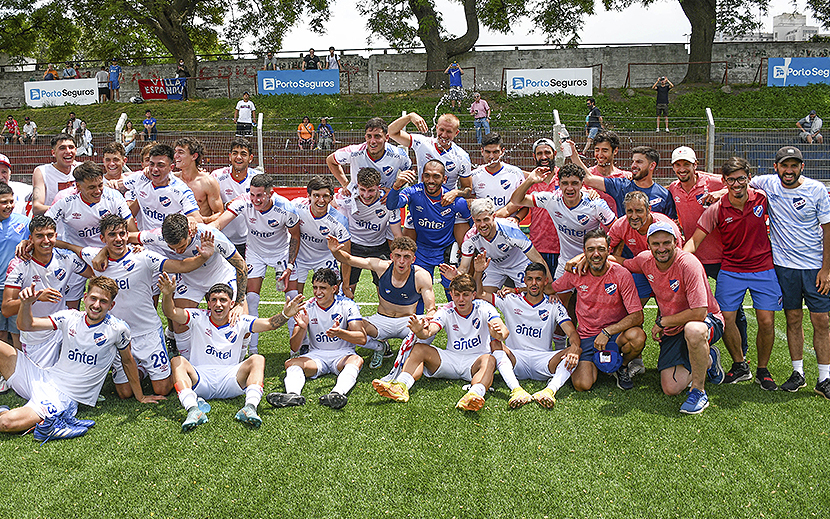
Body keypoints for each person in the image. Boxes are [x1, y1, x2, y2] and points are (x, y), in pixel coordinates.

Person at [58, 214, 214, 398]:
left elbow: (180, 266)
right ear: (102, 238)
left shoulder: (144, 257)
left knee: (162, 389)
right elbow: (69, 246)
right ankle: (141, 369)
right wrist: (32, 244)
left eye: (122, 234)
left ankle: (168, 365)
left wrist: (204, 257)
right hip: (118, 335)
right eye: (112, 235)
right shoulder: (94, 256)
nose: (118, 239)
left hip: (148, 332)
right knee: (125, 393)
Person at [0, 277, 164, 441]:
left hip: (63, 397)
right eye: (93, 298)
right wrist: (26, 304)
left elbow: (127, 361)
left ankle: (11, 413)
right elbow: (26, 325)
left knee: (5, 423)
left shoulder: (118, 329)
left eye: (103, 301)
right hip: (41, 376)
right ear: (85, 297)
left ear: (112, 305)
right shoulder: (69, 317)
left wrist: (140, 396)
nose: (96, 305)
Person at [684, 157, 782, 390]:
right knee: (726, 319)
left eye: (741, 179)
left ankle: (762, 370)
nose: (737, 184)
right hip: (731, 270)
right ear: (724, 181)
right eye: (731, 180)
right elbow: (695, 241)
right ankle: (740, 366)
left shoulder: (763, 199)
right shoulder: (717, 209)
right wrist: (681, 260)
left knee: (766, 321)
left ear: (749, 177)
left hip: (763, 268)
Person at [161, 273, 303, 429]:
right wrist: (167, 295)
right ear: (208, 303)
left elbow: (269, 324)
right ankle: (193, 409)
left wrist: (285, 315)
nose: (218, 304)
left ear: (232, 303)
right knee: (177, 361)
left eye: (223, 300)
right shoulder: (197, 316)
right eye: (213, 300)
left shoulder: (241, 321)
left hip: (231, 380)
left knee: (258, 359)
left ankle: (250, 408)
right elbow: (171, 313)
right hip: (200, 379)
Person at [750, 146, 830, 398]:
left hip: (815, 267)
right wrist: (720, 189)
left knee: (821, 321)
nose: (789, 170)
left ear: (801, 167)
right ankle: (798, 374)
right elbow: (738, 180)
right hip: (784, 267)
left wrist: (826, 269)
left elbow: (828, 230)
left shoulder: (816, 189)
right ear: (776, 168)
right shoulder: (768, 184)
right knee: (793, 320)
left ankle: (825, 378)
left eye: (794, 166)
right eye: (784, 166)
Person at [622, 222, 725, 414]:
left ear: (676, 242)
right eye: (656, 244)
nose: (661, 248)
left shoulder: (689, 264)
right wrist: (585, 258)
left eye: (666, 243)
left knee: (693, 330)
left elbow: (699, 312)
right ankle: (709, 359)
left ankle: (698, 392)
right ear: (649, 245)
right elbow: (620, 262)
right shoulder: (645, 260)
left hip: (706, 321)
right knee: (671, 388)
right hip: (674, 327)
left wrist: (662, 322)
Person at [372, 274, 508, 411]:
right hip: (451, 359)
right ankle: (401, 386)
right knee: (419, 348)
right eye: (457, 295)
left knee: (490, 359)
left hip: (475, 362)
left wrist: (498, 333)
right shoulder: (446, 310)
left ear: (473, 295)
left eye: (465, 295)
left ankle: (473, 395)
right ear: (452, 295)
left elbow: (503, 331)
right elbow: (429, 332)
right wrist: (419, 331)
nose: (461, 299)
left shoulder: (484, 307)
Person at [667, 145, 749, 361]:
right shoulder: (673, 189)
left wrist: (721, 192)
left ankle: (742, 353)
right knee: (690, 303)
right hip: (693, 256)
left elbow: (746, 184)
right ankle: (692, 349)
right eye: (678, 165)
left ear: (696, 165)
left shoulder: (712, 181)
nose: (682, 168)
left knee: (733, 308)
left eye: (686, 164)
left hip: (722, 255)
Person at [136, 213, 247, 359]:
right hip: (190, 280)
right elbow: (131, 236)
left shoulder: (210, 235)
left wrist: (239, 302)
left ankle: (236, 361)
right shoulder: (158, 236)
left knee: (239, 321)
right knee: (179, 322)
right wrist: (134, 246)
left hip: (219, 276)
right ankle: (188, 363)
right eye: (173, 248)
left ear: (189, 232)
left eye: (181, 246)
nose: (178, 252)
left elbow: (241, 266)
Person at [211, 173, 299, 354]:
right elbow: (220, 223)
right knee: (250, 299)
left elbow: (295, 237)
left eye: (260, 195)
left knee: (291, 297)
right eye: (252, 194)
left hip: (281, 252)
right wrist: (205, 232)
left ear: (270, 193)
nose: (255, 199)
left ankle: (295, 350)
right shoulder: (244, 202)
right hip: (255, 253)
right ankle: (251, 349)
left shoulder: (286, 208)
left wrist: (289, 266)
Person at [474, 261, 581, 408]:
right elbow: (480, 294)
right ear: (524, 281)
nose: (534, 283)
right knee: (495, 344)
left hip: (544, 360)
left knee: (575, 350)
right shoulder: (510, 299)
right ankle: (517, 390)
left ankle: (550, 391)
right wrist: (479, 272)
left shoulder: (554, 304)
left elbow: (571, 332)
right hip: (515, 359)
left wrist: (574, 347)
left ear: (545, 281)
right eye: (530, 279)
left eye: (538, 279)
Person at [550, 229, 646, 391]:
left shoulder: (621, 274)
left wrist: (607, 332)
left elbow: (637, 316)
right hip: (586, 336)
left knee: (637, 336)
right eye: (591, 249)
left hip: (615, 335)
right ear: (584, 252)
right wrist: (518, 291)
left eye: (601, 249)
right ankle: (598, 360)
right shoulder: (577, 273)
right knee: (582, 385)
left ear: (609, 251)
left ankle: (621, 366)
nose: (596, 254)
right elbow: (550, 288)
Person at [328, 235, 435, 369]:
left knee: (430, 328)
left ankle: (413, 352)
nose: (401, 261)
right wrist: (335, 251)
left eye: (406, 257)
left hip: (407, 322)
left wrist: (427, 320)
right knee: (351, 327)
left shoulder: (421, 275)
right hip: (381, 320)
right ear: (391, 256)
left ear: (413, 259)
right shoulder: (381, 267)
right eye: (398, 256)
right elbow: (349, 260)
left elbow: (431, 309)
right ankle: (379, 347)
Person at [266, 268, 366, 410]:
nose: (318, 292)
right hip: (317, 356)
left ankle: (337, 393)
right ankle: (292, 395)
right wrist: (302, 327)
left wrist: (340, 333)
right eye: (315, 287)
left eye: (323, 288)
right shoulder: (306, 307)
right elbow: (294, 347)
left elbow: (362, 338)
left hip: (343, 354)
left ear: (334, 288)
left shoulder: (347, 305)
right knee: (291, 363)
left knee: (356, 360)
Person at [2, 215, 92, 367]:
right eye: (39, 236)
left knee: (74, 371)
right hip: (35, 333)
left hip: (62, 327)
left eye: (50, 235)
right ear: (31, 238)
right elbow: (6, 309)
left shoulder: (66, 258)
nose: (46, 241)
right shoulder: (19, 264)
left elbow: (95, 274)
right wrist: (35, 298)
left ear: (56, 236)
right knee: (39, 383)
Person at [45, 161, 136, 308]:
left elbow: (132, 230)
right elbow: (42, 229)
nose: (98, 191)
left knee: (121, 298)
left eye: (100, 185)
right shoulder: (66, 202)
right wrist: (27, 241)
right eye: (92, 187)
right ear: (78, 186)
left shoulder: (114, 197)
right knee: (70, 304)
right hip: (76, 255)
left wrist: (108, 250)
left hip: (109, 256)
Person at [510, 162, 615, 280]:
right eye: (565, 183)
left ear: (582, 184)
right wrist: (530, 180)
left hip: (591, 259)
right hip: (565, 261)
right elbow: (516, 200)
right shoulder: (552, 200)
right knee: (557, 296)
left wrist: (604, 252)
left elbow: (617, 230)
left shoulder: (595, 204)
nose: (570, 188)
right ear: (559, 184)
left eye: (574, 183)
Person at [386, 161, 471, 302]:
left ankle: (456, 322)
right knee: (417, 290)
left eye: (436, 176)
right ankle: (419, 321)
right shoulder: (413, 192)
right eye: (427, 176)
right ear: (422, 177)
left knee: (454, 289)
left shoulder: (454, 201)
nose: (431, 181)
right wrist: (396, 186)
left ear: (444, 179)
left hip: (446, 251)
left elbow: (471, 222)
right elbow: (392, 204)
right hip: (422, 250)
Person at [457, 198, 550, 297]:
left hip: (519, 264)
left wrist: (550, 288)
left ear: (494, 216)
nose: (483, 224)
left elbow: (539, 260)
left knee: (531, 296)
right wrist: (455, 275)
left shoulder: (510, 230)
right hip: (495, 265)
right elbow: (463, 268)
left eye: (486, 219)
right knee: (480, 297)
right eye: (478, 221)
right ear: (473, 220)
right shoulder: (470, 237)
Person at [333, 168, 402, 298]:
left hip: (379, 246)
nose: (366, 195)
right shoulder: (348, 197)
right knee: (347, 290)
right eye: (362, 190)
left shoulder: (388, 201)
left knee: (385, 290)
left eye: (371, 190)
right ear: (357, 187)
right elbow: (329, 203)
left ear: (379, 187)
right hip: (353, 246)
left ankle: (385, 316)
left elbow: (397, 234)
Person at [608, 190, 683, 302]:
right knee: (631, 307)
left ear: (649, 209)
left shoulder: (668, 228)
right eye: (629, 211)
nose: (634, 216)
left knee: (669, 311)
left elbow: (677, 260)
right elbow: (604, 247)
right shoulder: (621, 225)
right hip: (641, 270)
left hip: (667, 270)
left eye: (639, 211)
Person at [287, 176, 351, 300]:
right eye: (316, 195)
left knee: (331, 296)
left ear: (331, 198)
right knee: (293, 297)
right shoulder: (296, 206)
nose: (321, 200)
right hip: (300, 257)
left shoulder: (340, 220)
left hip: (324, 258)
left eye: (325, 196)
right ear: (309, 196)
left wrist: (346, 285)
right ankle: (295, 320)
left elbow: (346, 257)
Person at [583, 145, 676, 220]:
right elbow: (588, 179)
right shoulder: (621, 185)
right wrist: (573, 153)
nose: (633, 166)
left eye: (639, 162)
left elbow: (670, 225)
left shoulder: (664, 195)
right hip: (626, 242)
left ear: (652, 166)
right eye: (633, 161)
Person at [122, 143, 200, 231]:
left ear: (171, 167)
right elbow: (114, 185)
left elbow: (196, 218)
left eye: (160, 165)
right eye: (152, 164)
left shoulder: (181, 190)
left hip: (170, 242)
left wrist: (191, 219)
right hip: (145, 241)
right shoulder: (141, 179)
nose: (155, 169)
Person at [326, 117, 412, 195]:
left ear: (387, 137)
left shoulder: (399, 155)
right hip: (358, 200)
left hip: (384, 202)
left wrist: (394, 190)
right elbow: (330, 160)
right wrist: (345, 184)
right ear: (365, 137)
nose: (372, 141)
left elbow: (410, 172)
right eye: (369, 136)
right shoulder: (354, 152)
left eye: (377, 136)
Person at [211, 137, 258, 256]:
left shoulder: (257, 178)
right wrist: (227, 205)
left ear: (250, 158)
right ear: (229, 156)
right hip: (223, 237)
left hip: (250, 241)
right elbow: (207, 205)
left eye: (243, 154)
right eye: (235, 153)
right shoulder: (217, 176)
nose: (238, 157)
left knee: (246, 274)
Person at [0, 183, 29, 354]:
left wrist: (27, 242)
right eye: (4, 202)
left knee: (17, 332)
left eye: (11, 201)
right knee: (1, 334)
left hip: (15, 288)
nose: (9, 206)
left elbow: (37, 241)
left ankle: (18, 375)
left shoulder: (24, 222)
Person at [527, 139, 560, 277]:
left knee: (564, 291)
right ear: (534, 156)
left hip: (563, 247)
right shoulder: (530, 181)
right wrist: (516, 218)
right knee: (541, 286)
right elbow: (520, 205)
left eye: (547, 152)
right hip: (538, 245)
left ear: (555, 154)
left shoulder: (565, 177)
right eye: (539, 153)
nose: (544, 157)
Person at [469, 132, 526, 212]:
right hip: (483, 223)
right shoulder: (474, 175)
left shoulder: (515, 174)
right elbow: (468, 201)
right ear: (482, 151)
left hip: (507, 223)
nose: (491, 156)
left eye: (495, 152)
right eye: (488, 152)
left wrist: (517, 219)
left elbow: (524, 205)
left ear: (502, 152)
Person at [173, 137, 223, 223]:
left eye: (180, 152)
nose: (175, 156)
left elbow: (219, 212)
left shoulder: (208, 182)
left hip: (199, 231)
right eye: (175, 152)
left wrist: (204, 220)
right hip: (176, 232)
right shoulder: (172, 179)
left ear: (194, 156)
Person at [31, 134, 78, 215]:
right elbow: (37, 207)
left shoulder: (81, 169)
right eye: (62, 148)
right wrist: (66, 209)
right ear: (53, 152)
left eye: (71, 147)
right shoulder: (42, 171)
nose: (68, 151)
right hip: (53, 222)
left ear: (76, 150)